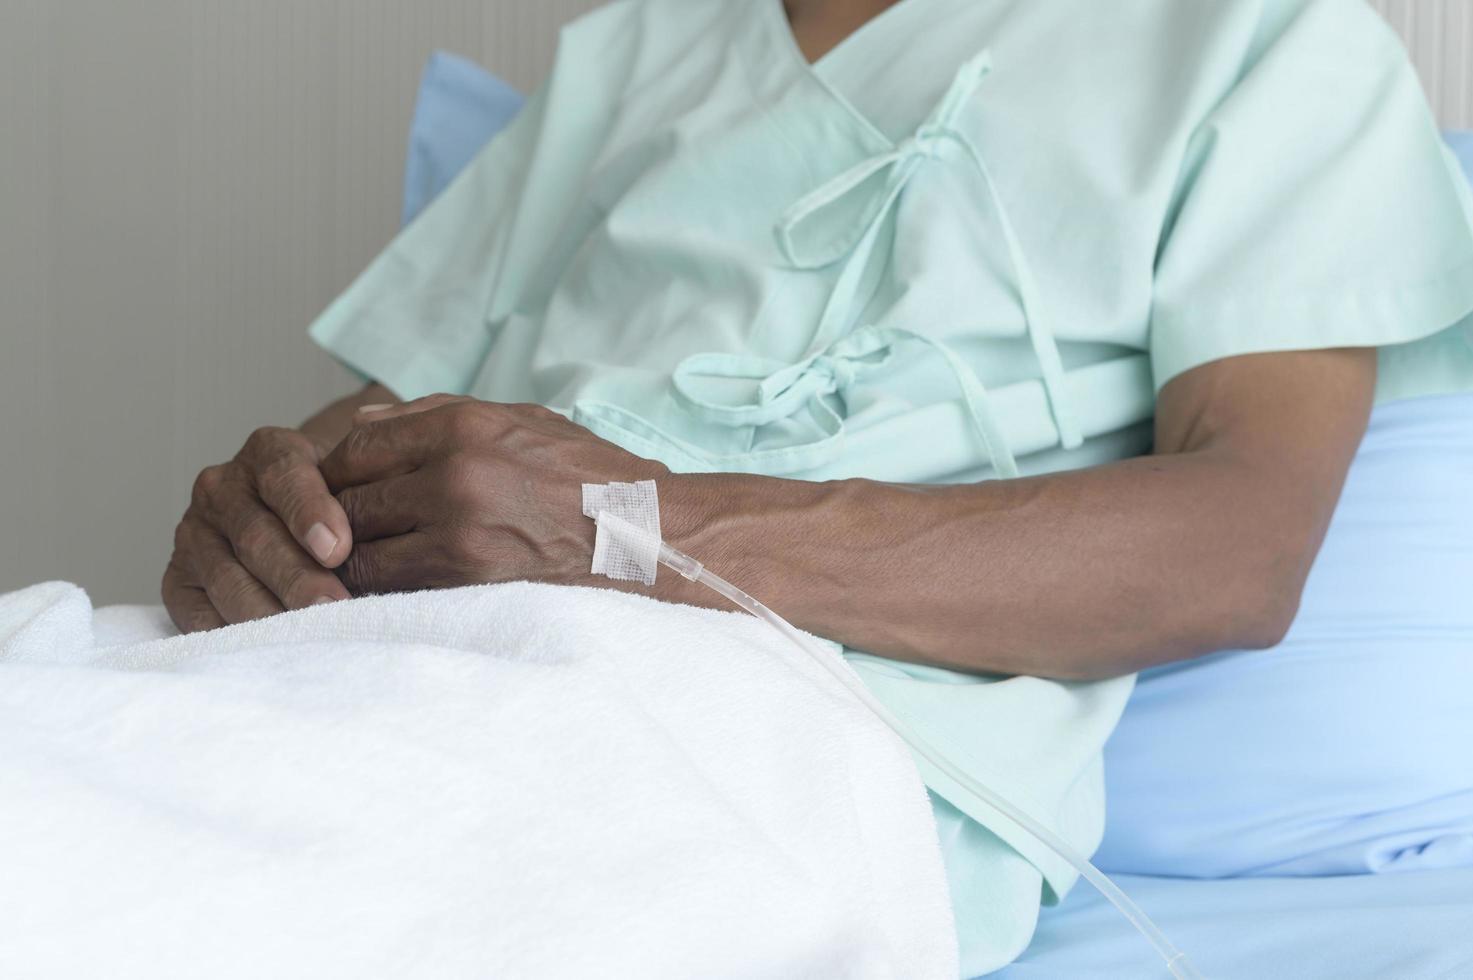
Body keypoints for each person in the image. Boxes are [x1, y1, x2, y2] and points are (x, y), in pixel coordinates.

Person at [161, 0, 1473, 972]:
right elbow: (382, 434)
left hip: (783, 738)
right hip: (393, 664)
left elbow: (1234, 551)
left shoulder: (1257, 38)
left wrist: (625, 532)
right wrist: (253, 513)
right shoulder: (638, 48)